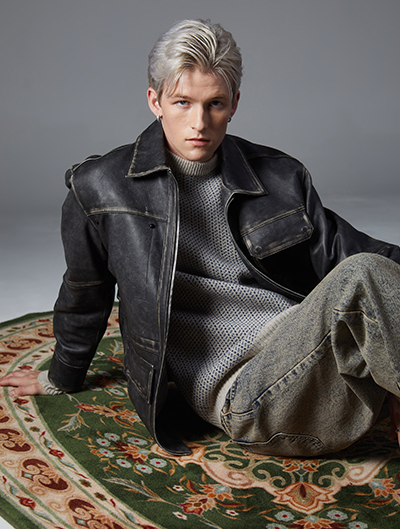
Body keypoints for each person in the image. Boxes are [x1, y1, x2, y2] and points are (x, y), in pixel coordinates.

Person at [2, 19, 400, 457]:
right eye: (182, 102)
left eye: (215, 104)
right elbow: (85, 291)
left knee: (371, 271)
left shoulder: (279, 175)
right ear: (155, 101)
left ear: (234, 104)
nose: (199, 123)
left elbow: (357, 254)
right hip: (250, 397)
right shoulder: (101, 187)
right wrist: (61, 375)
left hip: (315, 362)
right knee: (364, 276)